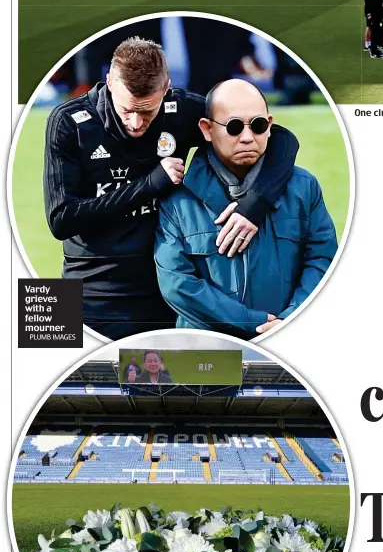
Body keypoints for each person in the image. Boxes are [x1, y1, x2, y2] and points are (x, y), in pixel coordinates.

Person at [43, 38, 298, 339]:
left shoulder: (181, 109)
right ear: (110, 82)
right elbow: (61, 220)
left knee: (183, 383)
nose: (136, 123)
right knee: (56, 363)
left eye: (147, 112)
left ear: (166, 90)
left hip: (167, 289)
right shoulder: (69, 122)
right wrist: (150, 184)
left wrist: (252, 207)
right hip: (93, 291)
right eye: (127, 110)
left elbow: (281, 139)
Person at [154, 80, 337, 338]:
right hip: (207, 351)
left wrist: (291, 319)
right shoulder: (178, 199)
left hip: (290, 339)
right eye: (234, 127)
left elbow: (323, 261)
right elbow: (176, 284)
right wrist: (254, 323)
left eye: (259, 126)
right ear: (206, 129)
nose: (248, 137)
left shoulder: (304, 188)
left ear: (270, 126)